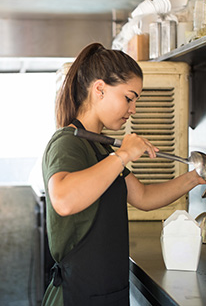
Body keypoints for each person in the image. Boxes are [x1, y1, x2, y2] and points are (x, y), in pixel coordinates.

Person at [41, 43, 206, 306]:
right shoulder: (68, 142)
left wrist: (196, 176)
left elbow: (143, 196)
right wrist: (123, 155)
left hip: (107, 290)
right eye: (129, 98)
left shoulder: (100, 145)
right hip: (78, 295)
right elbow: (64, 200)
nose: (133, 110)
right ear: (99, 89)